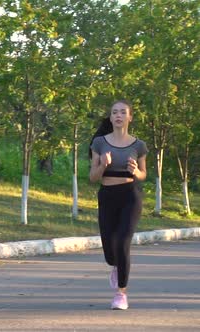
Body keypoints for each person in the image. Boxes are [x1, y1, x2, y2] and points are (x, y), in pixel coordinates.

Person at [89, 99, 148, 310]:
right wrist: (103, 164)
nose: (119, 116)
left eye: (123, 112)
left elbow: (143, 174)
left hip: (130, 195)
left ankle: (121, 294)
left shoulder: (138, 145)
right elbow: (93, 177)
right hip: (107, 195)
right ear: (111, 117)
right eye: (115, 112)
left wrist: (135, 171)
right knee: (109, 248)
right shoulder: (99, 142)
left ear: (130, 117)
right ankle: (115, 265)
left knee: (122, 242)